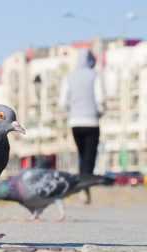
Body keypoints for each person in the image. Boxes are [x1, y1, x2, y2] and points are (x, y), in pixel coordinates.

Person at [59, 49, 105, 204]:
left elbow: (62, 102)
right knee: (89, 157)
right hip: (91, 122)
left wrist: (71, 112)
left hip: (75, 123)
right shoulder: (94, 75)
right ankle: (84, 189)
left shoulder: (69, 77)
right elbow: (100, 98)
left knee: (81, 155)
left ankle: (82, 188)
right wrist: (99, 112)